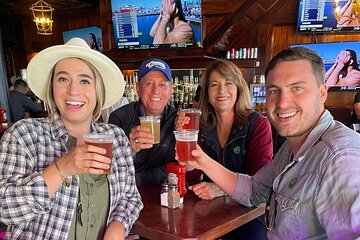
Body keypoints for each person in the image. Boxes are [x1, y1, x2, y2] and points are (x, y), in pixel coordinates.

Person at [180, 47, 360, 239]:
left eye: (297, 88)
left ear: (322, 92)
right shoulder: (292, 149)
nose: (283, 102)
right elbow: (252, 191)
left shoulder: (341, 158)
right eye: (274, 90)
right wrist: (200, 160)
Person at [0, 38, 143, 239]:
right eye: (63, 79)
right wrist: (61, 169)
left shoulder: (116, 138)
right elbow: (4, 210)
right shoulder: (24, 135)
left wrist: (118, 227)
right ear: (52, 87)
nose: (73, 90)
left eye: (84, 80)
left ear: (97, 89)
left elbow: (130, 198)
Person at [175, 59, 273, 239]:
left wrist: (220, 189)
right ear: (207, 92)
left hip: (249, 214)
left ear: (238, 88)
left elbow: (260, 183)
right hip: (212, 212)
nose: (221, 91)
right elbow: (193, 177)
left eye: (228, 83)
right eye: (214, 84)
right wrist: (185, 150)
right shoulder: (202, 126)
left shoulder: (258, 125)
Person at [108, 58, 177, 186]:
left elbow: (177, 168)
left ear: (170, 90)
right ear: (138, 89)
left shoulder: (178, 119)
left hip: (166, 192)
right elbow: (109, 168)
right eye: (149, 84)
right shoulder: (119, 118)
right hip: (127, 194)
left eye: (162, 85)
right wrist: (130, 150)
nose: (155, 91)